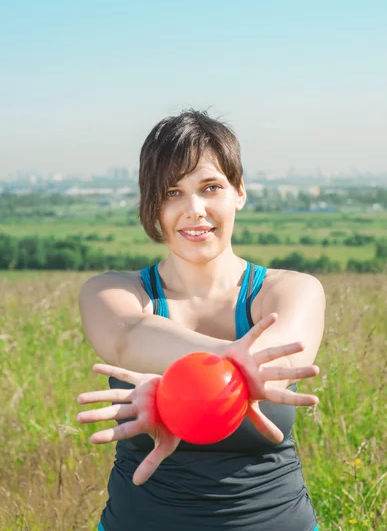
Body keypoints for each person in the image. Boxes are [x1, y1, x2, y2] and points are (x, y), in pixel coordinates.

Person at [76, 109, 325, 531]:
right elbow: (128, 336)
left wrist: (175, 392)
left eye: (210, 187)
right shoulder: (111, 293)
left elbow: (271, 372)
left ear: (239, 192)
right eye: (172, 192)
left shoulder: (291, 291)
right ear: (152, 205)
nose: (194, 209)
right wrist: (227, 360)